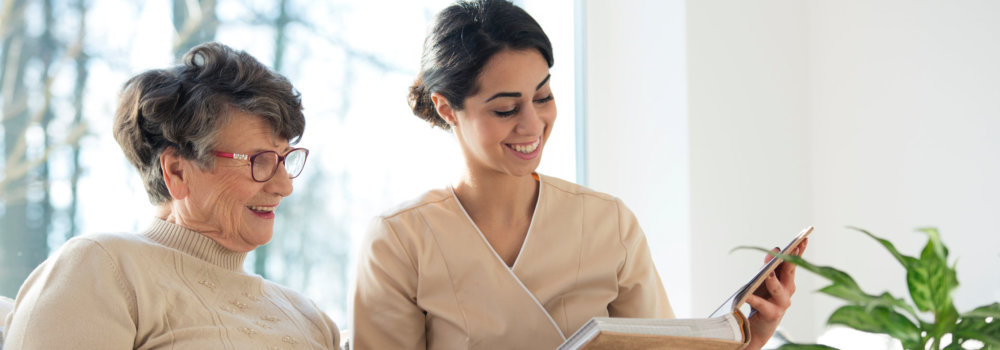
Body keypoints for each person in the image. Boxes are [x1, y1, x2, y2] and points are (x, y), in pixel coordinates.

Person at [351, 1, 806, 349]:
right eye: (507, 108)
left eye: (544, 96)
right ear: (446, 107)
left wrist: (752, 334)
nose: (532, 125)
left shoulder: (609, 224)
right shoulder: (399, 241)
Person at [3, 42, 341, 349]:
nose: (284, 186)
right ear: (177, 172)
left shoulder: (311, 320)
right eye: (260, 161)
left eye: (285, 159)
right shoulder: (102, 268)